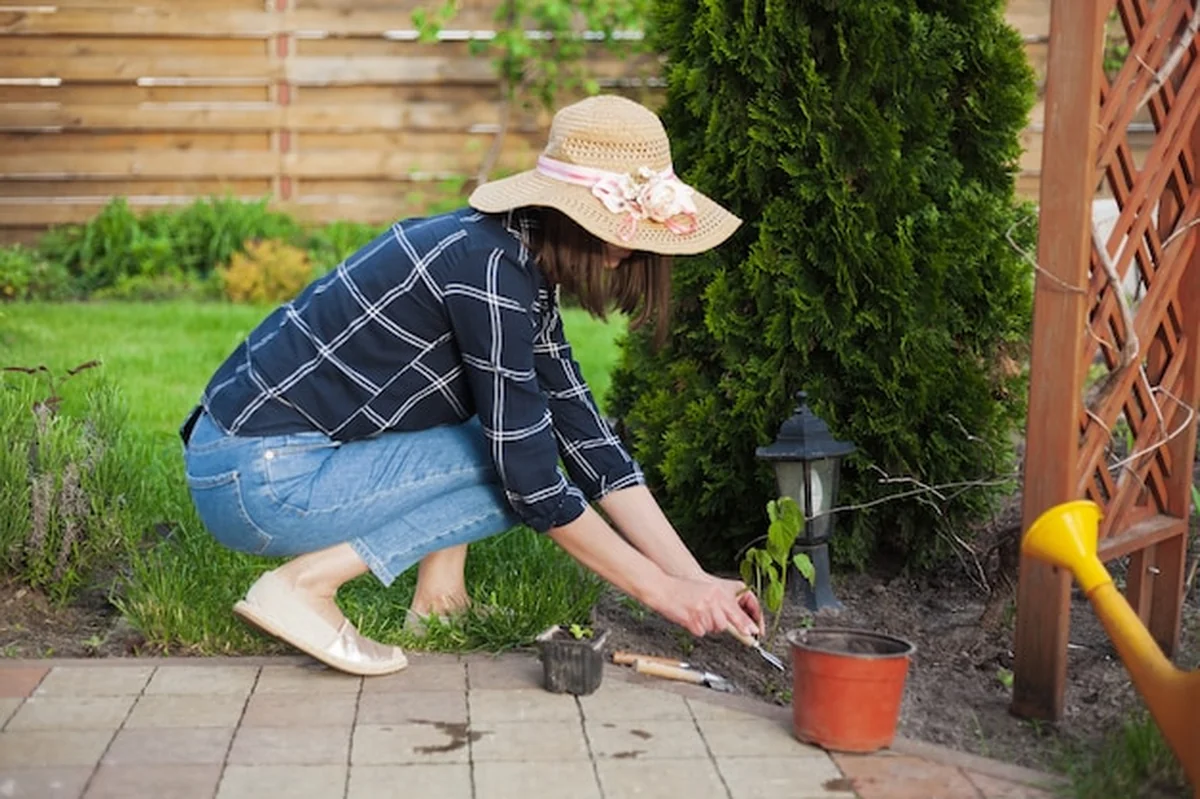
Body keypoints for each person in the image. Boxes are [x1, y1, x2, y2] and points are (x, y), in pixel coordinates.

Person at [179, 94, 762, 676]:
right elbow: (533, 482)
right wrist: (664, 595)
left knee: (511, 431)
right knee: (516, 464)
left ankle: (440, 602)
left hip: (252, 462)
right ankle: (303, 586)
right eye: (618, 230)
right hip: (258, 480)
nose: (629, 248)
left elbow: (587, 439)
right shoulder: (488, 272)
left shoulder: (508, 261)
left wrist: (696, 579)